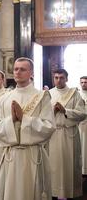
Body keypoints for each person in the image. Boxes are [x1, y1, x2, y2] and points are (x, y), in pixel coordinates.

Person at [0, 57, 56, 200]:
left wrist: (24, 119)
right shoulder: (4, 99)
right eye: (15, 69)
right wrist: (11, 120)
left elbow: (49, 126)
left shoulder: (41, 97)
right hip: (11, 156)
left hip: (32, 155)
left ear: (31, 73)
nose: (18, 72)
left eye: (22, 69)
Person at [49, 69, 86, 199]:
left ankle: (70, 193)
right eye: (56, 77)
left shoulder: (74, 94)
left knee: (70, 164)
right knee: (53, 165)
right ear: (53, 79)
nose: (59, 80)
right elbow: (42, 116)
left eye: (62, 78)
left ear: (67, 79)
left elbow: (82, 114)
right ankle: (53, 192)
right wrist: (52, 111)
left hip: (69, 133)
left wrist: (66, 111)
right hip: (53, 134)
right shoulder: (48, 94)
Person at [79, 76, 87, 175]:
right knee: (81, 146)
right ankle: (81, 169)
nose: (84, 84)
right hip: (80, 125)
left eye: (85, 82)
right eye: (82, 82)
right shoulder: (77, 95)